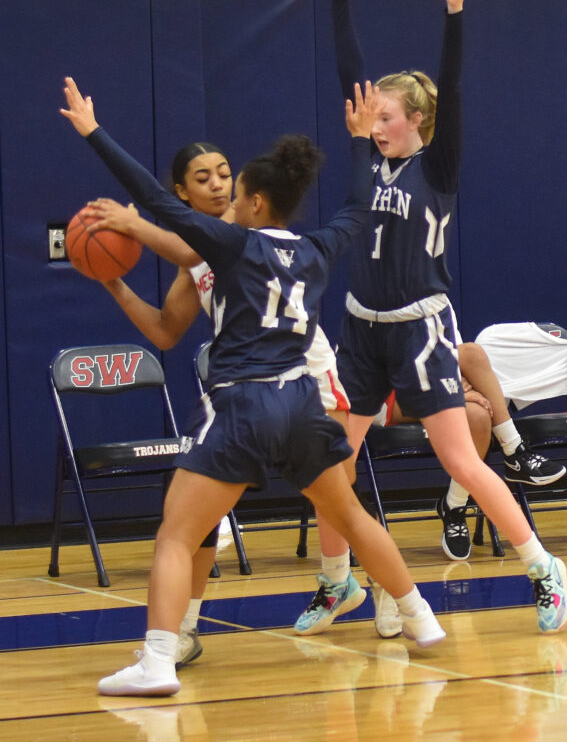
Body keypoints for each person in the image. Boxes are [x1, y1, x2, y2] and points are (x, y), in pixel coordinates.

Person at [61, 75, 448, 698]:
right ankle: (419, 615)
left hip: (250, 401)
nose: (225, 192)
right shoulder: (317, 247)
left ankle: (159, 660)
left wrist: (93, 133)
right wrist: (358, 143)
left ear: (256, 203)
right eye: (209, 179)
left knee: (177, 533)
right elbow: (356, 204)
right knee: (346, 513)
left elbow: (160, 209)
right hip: (299, 402)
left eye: (232, 183)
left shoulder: (229, 244)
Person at [294, 0, 567, 641]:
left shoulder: (437, 166)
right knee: (334, 463)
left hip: (420, 330)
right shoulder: (368, 157)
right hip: (361, 328)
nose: (375, 123)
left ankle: (542, 566)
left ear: (417, 120)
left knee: (460, 459)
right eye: (373, 116)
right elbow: (352, 76)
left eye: (387, 116)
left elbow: (455, 82)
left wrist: (454, 14)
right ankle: (337, 582)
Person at [85, 136, 356, 665]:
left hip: (309, 371)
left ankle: (374, 589)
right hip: (249, 387)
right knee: (200, 516)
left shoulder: (238, 223)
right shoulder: (194, 258)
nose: (217, 184)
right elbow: (165, 332)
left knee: (339, 501)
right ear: (182, 192)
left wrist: (134, 225)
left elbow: (189, 248)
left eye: (224, 173)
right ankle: (184, 629)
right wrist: (114, 284)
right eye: (202, 178)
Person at [377, 341, 566, 561]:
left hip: (427, 380)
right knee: (463, 395)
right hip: (383, 395)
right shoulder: (373, 323)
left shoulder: (432, 317)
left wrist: (452, 381)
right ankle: (512, 456)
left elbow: (443, 352)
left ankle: (457, 502)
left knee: (476, 390)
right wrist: (448, 391)